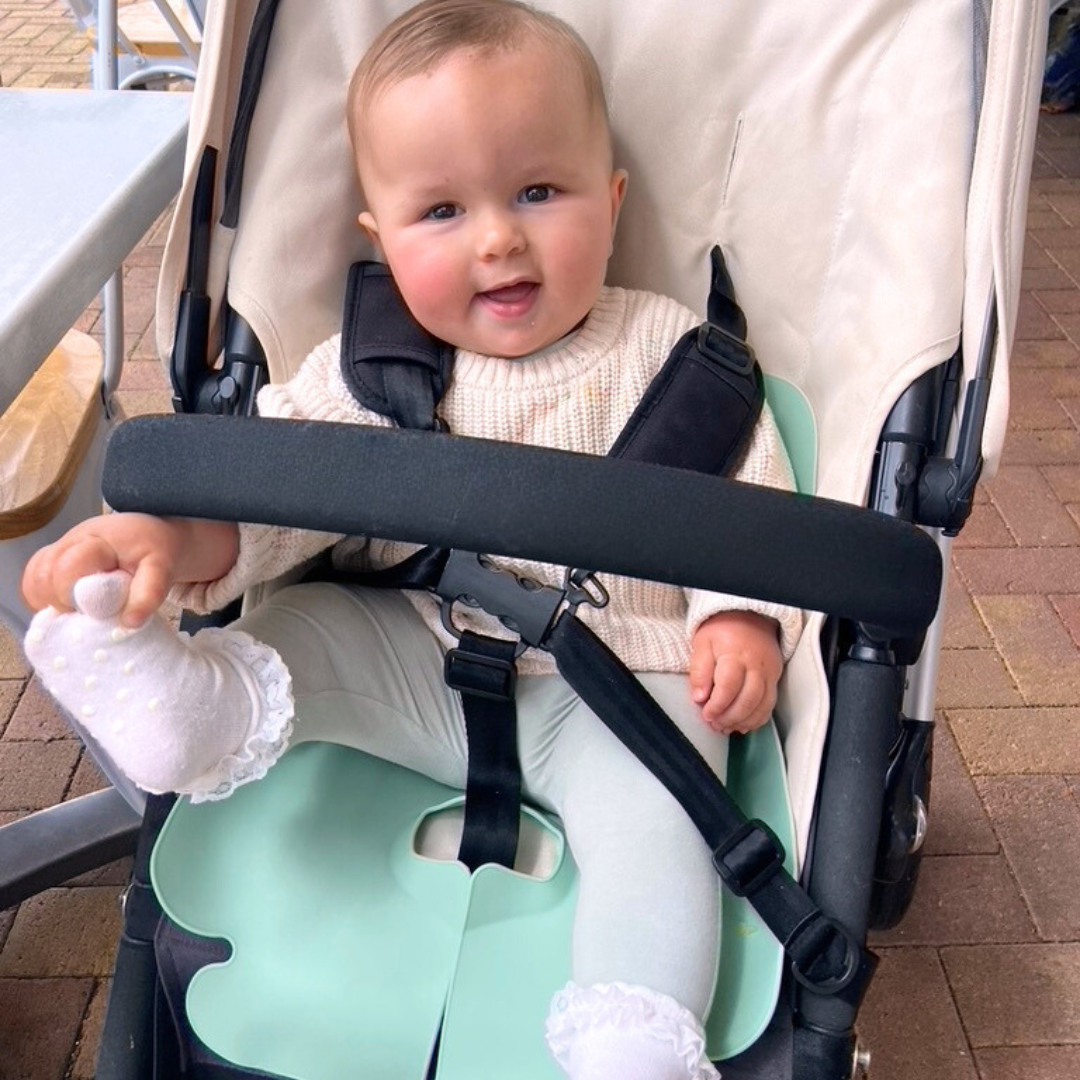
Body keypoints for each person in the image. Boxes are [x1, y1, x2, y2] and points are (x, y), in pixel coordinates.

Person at [21, 2, 802, 1077]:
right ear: (380, 241)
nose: (498, 237)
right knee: (303, 624)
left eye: (539, 191)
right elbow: (273, 496)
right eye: (442, 210)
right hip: (419, 655)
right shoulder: (369, 370)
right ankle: (193, 705)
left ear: (612, 202)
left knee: (668, 816)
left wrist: (741, 616)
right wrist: (173, 536)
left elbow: (751, 490)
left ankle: (634, 1034)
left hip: (625, 688)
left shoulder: (669, 353)